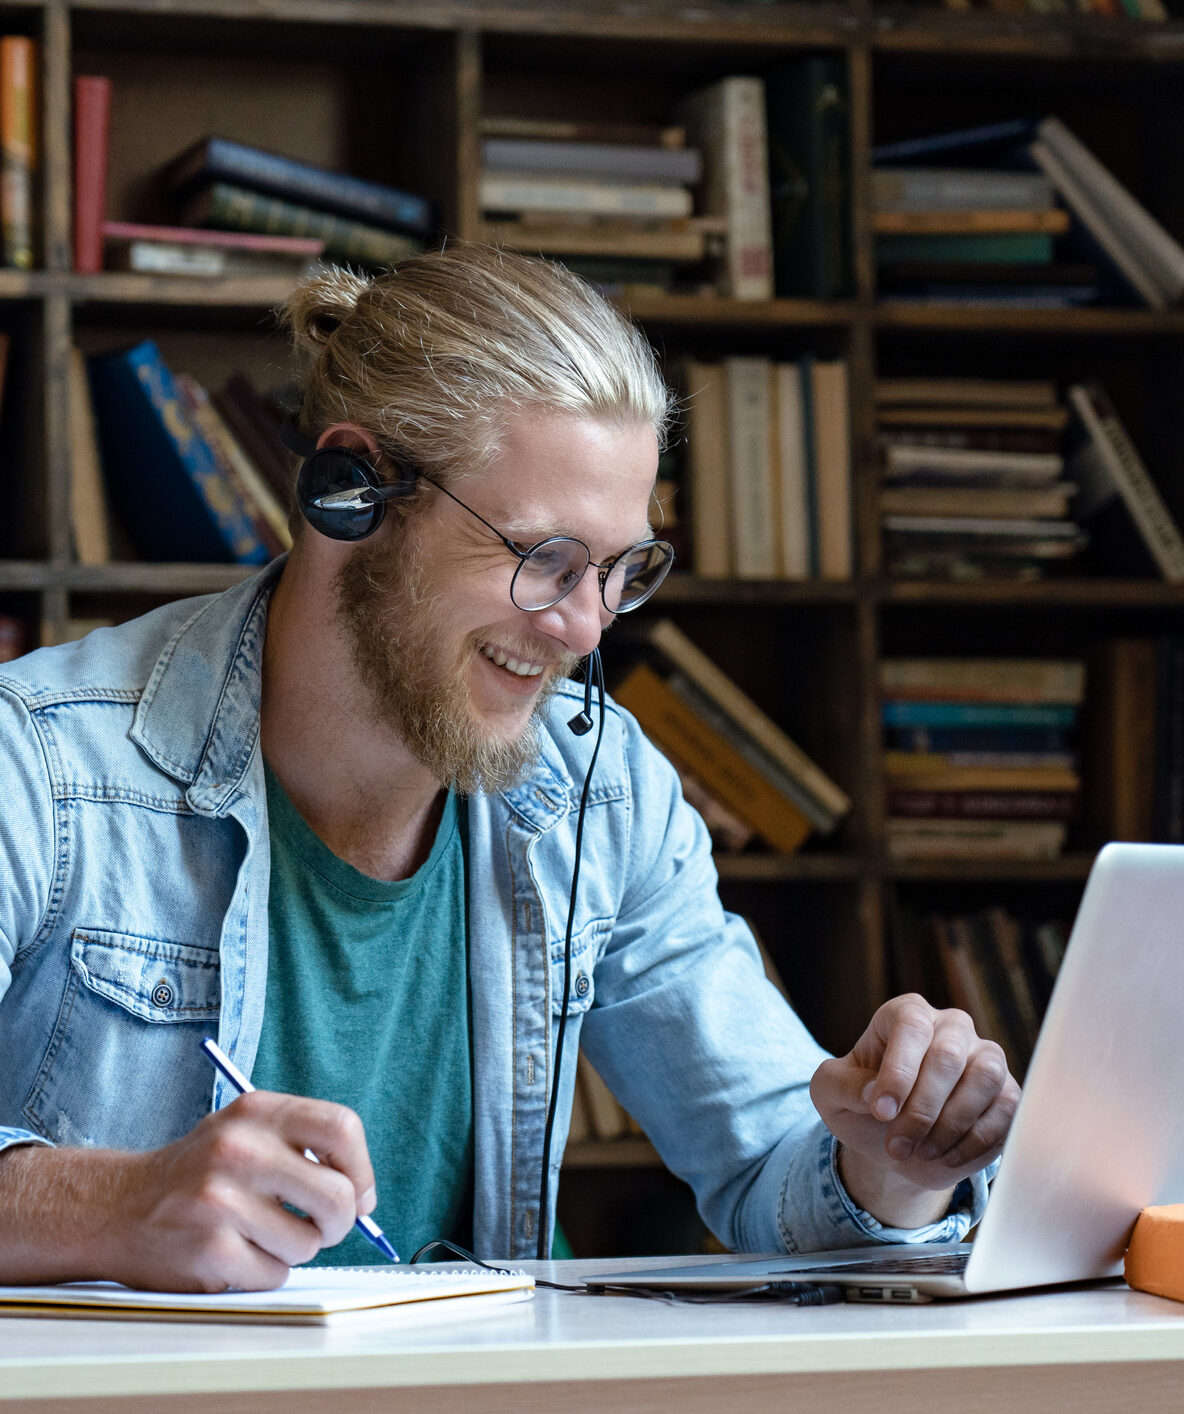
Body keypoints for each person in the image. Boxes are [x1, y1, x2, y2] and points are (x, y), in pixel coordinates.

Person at [0, 245, 1018, 1293]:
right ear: (353, 492)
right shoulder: (35, 761)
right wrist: (119, 1204)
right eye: (544, 559)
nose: (583, 628)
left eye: (622, 571)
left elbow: (773, 1170)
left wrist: (893, 1161)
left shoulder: (600, 783)